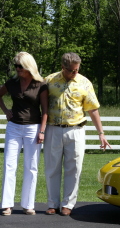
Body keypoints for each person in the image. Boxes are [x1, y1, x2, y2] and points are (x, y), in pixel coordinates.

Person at [43, 52, 111, 216]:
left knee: (74, 169)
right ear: (63, 67)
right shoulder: (49, 81)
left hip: (76, 130)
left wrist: (101, 133)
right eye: (72, 70)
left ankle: (68, 204)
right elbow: (40, 105)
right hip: (53, 128)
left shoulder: (84, 82)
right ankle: (53, 203)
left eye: (77, 70)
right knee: (52, 168)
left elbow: (93, 109)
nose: (75, 73)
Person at [0, 52, 48, 216]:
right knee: (9, 165)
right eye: (16, 66)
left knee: (31, 167)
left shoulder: (41, 84)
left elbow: (45, 110)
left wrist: (42, 131)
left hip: (33, 128)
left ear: (29, 67)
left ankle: (28, 204)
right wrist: (6, 111)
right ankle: (7, 205)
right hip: (14, 127)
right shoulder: (12, 82)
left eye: (20, 66)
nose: (17, 69)